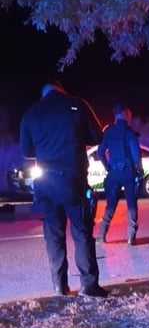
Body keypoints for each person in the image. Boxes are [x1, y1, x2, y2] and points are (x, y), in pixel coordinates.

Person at [19, 80, 108, 298]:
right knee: (82, 233)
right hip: (73, 181)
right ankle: (89, 287)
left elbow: (27, 151)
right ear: (62, 90)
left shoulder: (31, 113)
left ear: (44, 94)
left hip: (45, 186)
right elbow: (97, 137)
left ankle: (60, 287)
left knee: (53, 236)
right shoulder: (77, 105)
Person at [96, 104, 143, 246]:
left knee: (110, 204)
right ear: (124, 114)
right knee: (131, 204)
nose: (130, 116)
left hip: (113, 173)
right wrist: (139, 171)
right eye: (129, 113)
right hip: (128, 172)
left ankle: (101, 235)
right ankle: (131, 237)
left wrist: (107, 166)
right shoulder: (129, 133)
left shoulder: (108, 132)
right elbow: (136, 154)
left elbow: (100, 152)